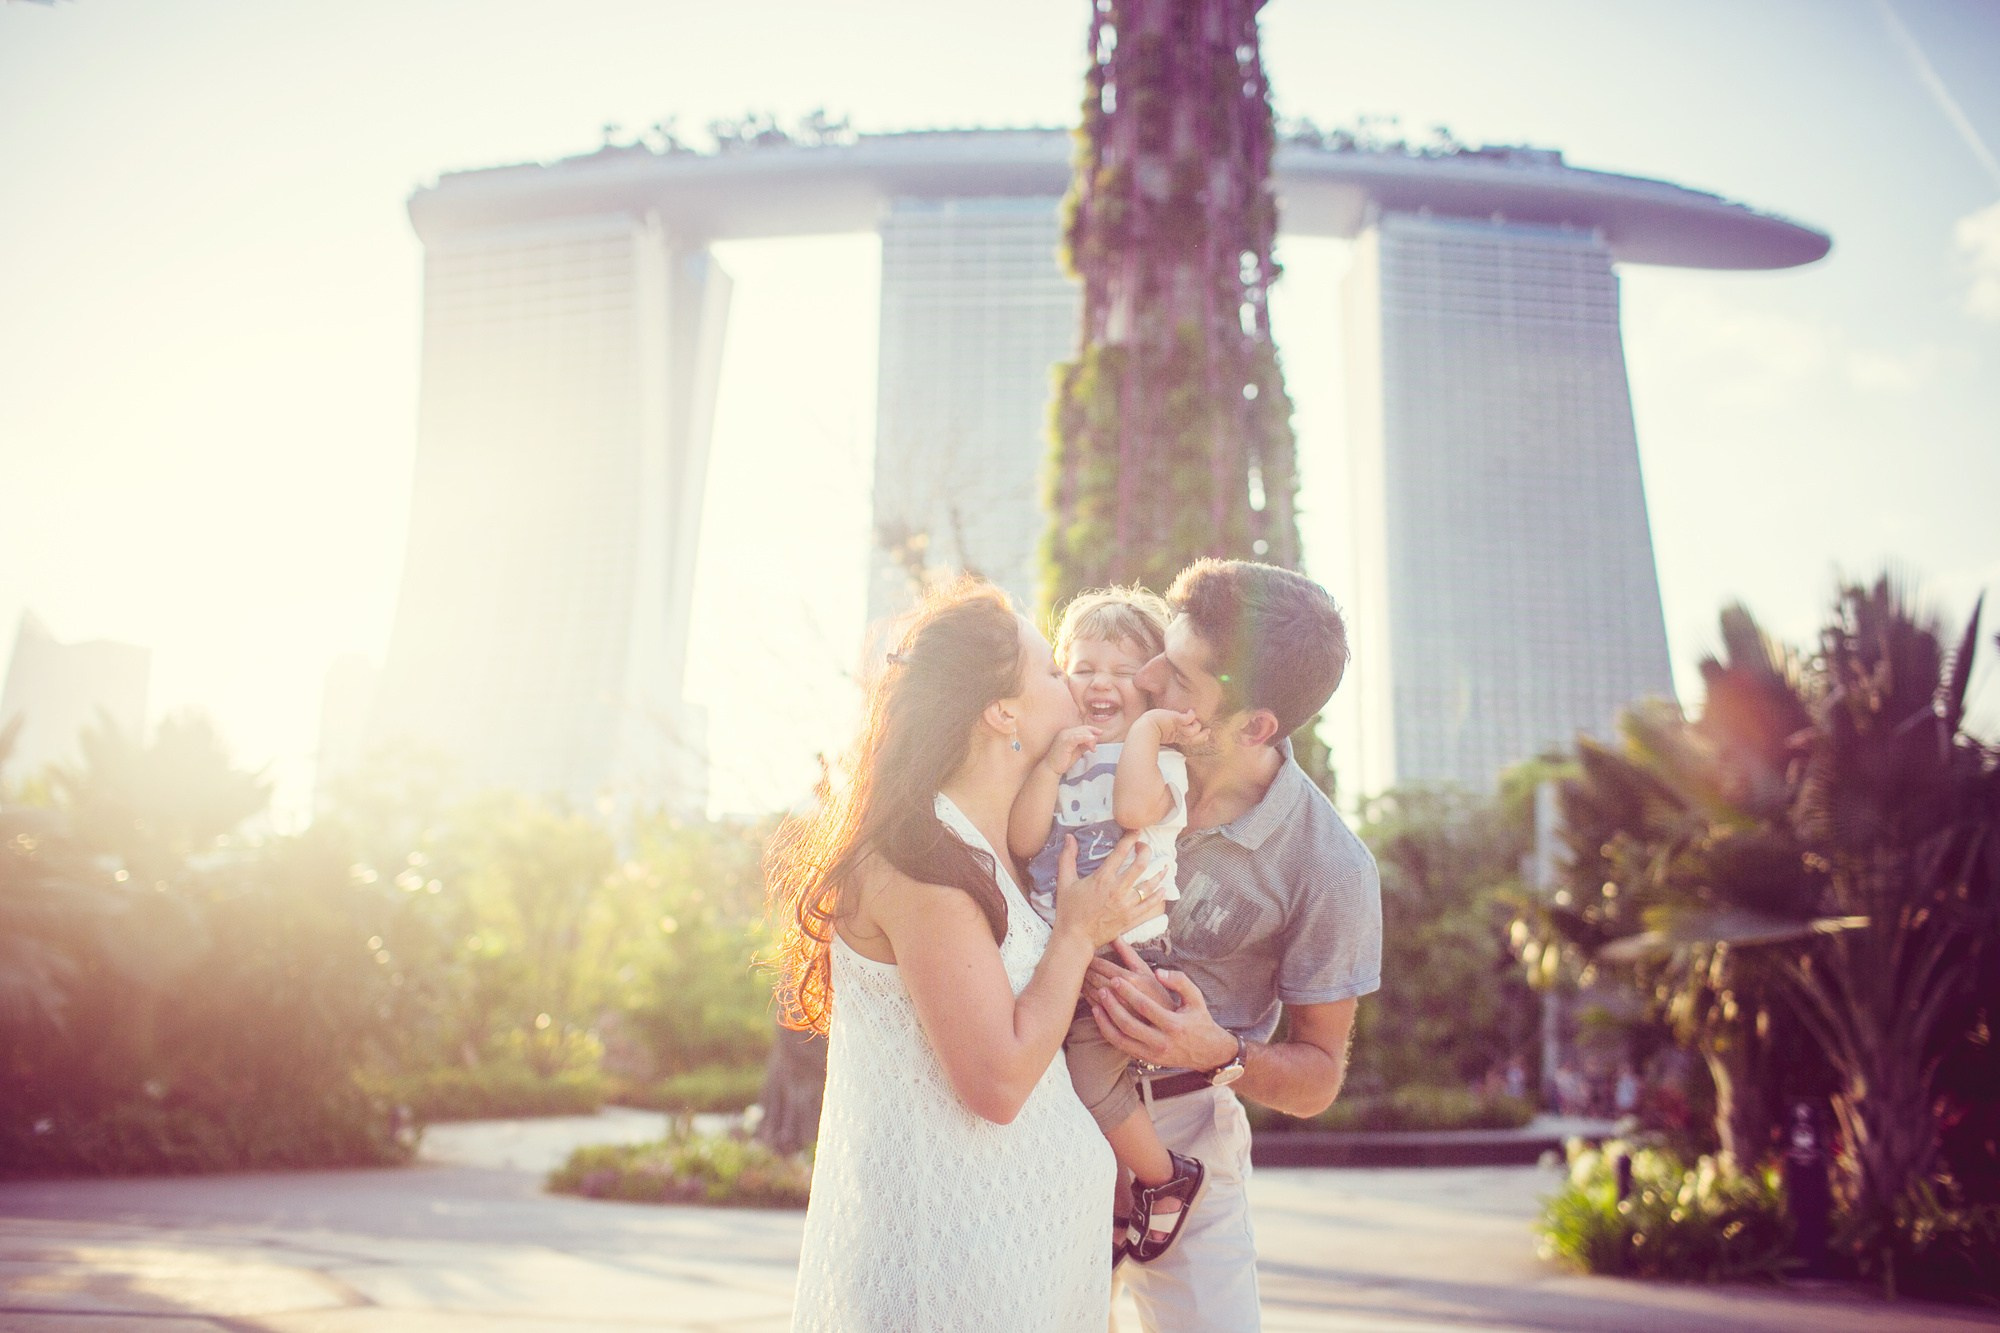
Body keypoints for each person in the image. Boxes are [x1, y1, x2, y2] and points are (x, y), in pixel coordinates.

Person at [770, 577, 1168, 1332]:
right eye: (1053, 669)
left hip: (1020, 1274)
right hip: (955, 1286)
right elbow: (997, 1080)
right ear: (1003, 712)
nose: (1074, 682)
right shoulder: (919, 859)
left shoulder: (988, 852)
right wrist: (1078, 935)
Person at [1086, 559, 1383, 1333]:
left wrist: (1216, 1049)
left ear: (1255, 725)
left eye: (1179, 678)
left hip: (1189, 1137)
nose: (1147, 678)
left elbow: (1319, 1078)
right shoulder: (1099, 755)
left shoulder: (1331, 865)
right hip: (1050, 1103)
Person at [1007, 587, 1209, 1264]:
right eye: (1085, 667)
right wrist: (1052, 765)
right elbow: (1025, 834)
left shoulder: (1161, 762)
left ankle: (1164, 1178)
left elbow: (1130, 809)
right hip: (1056, 945)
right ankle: (1113, 1203)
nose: (1103, 683)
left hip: (1126, 948)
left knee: (1093, 1077)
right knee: (1053, 1083)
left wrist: (1149, 730)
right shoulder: (1058, 757)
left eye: (1126, 673)